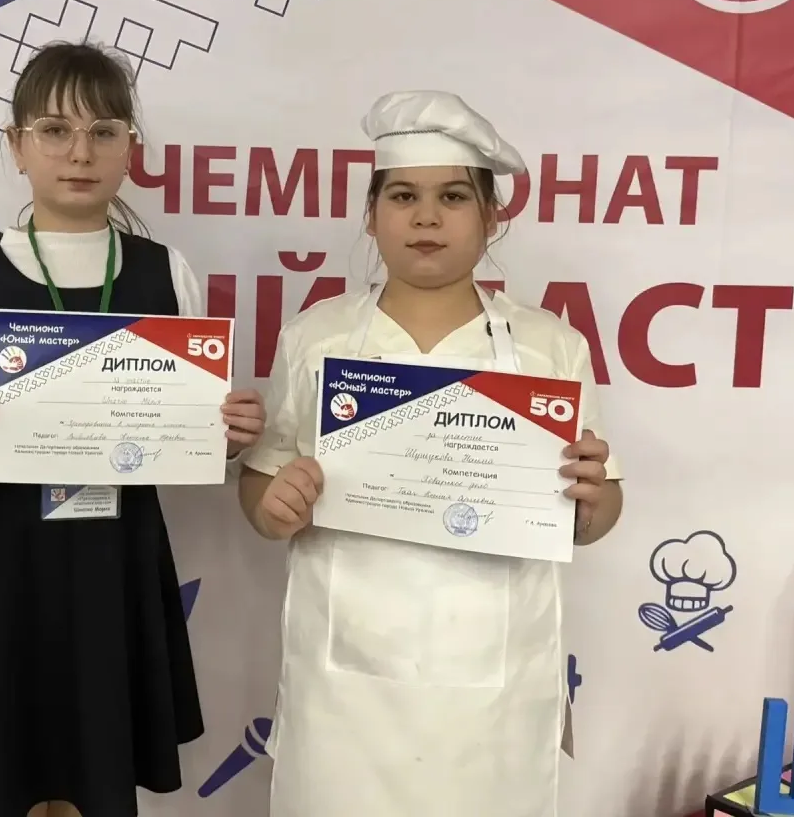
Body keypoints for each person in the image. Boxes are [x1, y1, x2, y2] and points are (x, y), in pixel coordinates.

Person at [0, 41, 266, 817]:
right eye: (55, 131)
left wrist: (226, 438)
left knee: (90, 782)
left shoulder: (163, 271)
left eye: (104, 131)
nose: (80, 153)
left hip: (109, 563)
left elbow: (186, 441)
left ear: (130, 148)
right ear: (17, 146)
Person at [237, 90, 624, 817]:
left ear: (491, 217)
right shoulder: (316, 337)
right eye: (403, 196)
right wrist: (274, 505)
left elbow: (596, 514)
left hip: (493, 688)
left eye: (452, 196)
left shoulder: (549, 348)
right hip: (345, 685)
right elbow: (261, 492)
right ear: (371, 214)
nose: (425, 217)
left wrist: (593, 498)